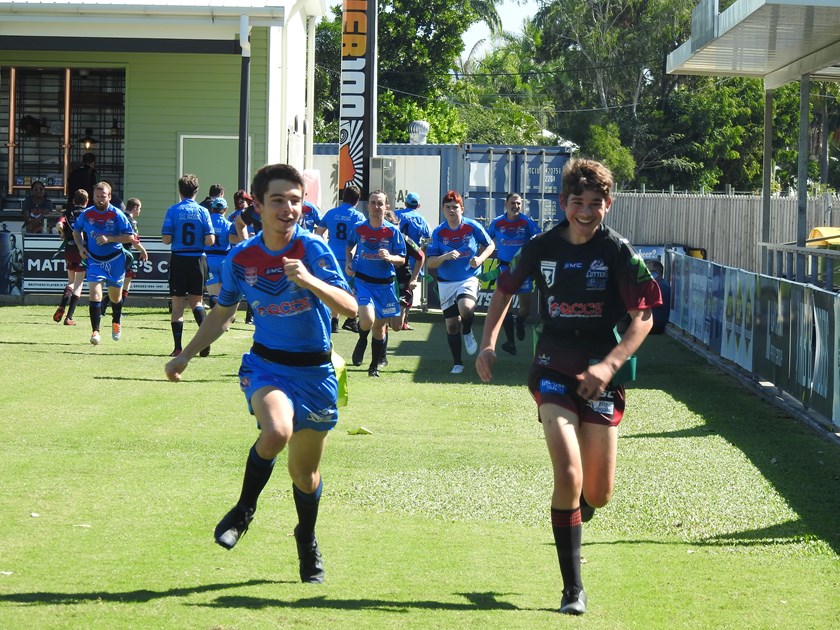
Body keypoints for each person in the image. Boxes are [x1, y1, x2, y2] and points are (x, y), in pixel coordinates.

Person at [475, 159, 662, 615]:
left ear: (608, 205)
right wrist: (488, 343)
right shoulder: (540, 247)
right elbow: (503, 290)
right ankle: (572, 589)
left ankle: (578, 508)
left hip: (600, 370)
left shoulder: (617, 251)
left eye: (595, 203)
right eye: (577, 202)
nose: (585, 211)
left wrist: (611, 364)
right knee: (569, 472)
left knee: (597, 493)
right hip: (552, 367)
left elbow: (645, 316)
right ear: (563, 203)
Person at [164, 163, 357, 585]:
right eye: (278, 200)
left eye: (295, 199)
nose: (288, 208)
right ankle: (244, 510)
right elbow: (221, 315)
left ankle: (306, 538)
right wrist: (186, 355)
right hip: (266, 366)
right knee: (276, 432)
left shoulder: (315, 250)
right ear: (258, 205)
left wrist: (310, 281)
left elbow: (350, 308)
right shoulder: (240, 258)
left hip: (318, 374)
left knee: (304, 477)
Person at [426, 190, 495, 374]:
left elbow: (490, 245)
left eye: (455, 207)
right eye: (448, 207)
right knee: (451, 325)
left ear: (462, 209)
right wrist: (445, 256)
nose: (451, 210)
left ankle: (468, 332)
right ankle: (457, 363)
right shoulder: (439, 232)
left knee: (466, 307)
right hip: (446, 282)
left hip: (468, 277)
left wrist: (480, 259)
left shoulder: (472, 226)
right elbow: (430, 262)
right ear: (443, 210)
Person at [345, 190, 405, 377]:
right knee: (367, 320)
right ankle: (362, 339)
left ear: (386, 206)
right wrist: (349, 262)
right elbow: (349, 245)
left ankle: (373, 367)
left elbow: (402, 259)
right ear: (368, 205)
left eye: (380, 203)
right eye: (373, 203)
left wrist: (390, 257)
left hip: (385, 284)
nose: (376, 207)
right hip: (363, 282)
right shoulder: (359, 227)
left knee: (379, 327)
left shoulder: (392, 231)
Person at [71, 181, 137, 345]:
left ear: (109, 196)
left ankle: (116, 321)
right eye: (97, 196)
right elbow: (76, 231)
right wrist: (80, 247)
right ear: (93, 196)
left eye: (103, 196)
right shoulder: (87, 214)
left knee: (115, 298)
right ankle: (95, 332)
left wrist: (110, 238)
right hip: (94, 260)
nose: (100, 199)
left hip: (115, 260)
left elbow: (130, 237)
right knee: (94, 294)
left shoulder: (117, 214)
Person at [161, 174, 215, 357]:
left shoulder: (173, 210)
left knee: (177, 305)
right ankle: (205, 341)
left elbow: (166, 239)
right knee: (197, 303)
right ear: (196, 191)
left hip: (179, 259)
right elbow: (210, 240)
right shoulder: (203, 211)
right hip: (198, 260)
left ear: (180, 191)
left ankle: (177, 348)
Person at [487, 192, 541, 355]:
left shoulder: (527, 222)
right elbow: (486, 240)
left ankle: (521, 321)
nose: (515, 206)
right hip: (505, 269)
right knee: (506, 307)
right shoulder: (497, 223)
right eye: (513, 203)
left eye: (518, 203)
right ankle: (510, 342)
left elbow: (538, 238)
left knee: (525, 309)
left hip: (523, 271)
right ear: (506, 204)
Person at [315, 185, 365, 333]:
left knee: (334, 288)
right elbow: (362, 239)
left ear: (343, 197)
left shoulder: (331, 213)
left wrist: (324, 248)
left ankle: (334, 321)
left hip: (332, 256)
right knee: (354, 289)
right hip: (349, 258)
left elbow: (318, 233)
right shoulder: (358, 216)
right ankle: (351, 319)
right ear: (357, 200)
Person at [385, 208, 425, 334]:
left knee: (396, 326)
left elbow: (421, 256)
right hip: (384, 282)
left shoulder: (404, 239)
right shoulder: (377, 239)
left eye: (394, 226)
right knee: (381, 322)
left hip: (402, 281)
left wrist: (414, 278)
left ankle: (399, 318)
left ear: (398, 225)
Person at [52, 189, 88, 325]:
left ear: (73, 201)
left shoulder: (67, 213)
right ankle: (69, 317)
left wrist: (62, 233)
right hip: (82, 250)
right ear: (87, 201)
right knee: (79, 284)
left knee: (70, 281)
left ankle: (62, 305)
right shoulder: (87, 214)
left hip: (69, 250)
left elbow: (59, 224)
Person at [396, 192, 431, 330]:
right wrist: (419, 250)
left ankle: (389, 317)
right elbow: (427, 239)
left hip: (396, 256)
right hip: (413, 258)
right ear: (419, 205)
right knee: (409, 288)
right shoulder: (421, 219)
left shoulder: (396, 214)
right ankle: (404, 321)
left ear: (405, 203)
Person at [205, 196, 233, 308]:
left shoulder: (206, 223)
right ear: (225, 209)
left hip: (209, 260)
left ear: (212, 208)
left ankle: (216, 317)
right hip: (224, 260)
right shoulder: (229, 225)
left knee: (213, 294)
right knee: (223, 293)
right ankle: (225, 316)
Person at [121, 197, 149, 303]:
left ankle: (106, 305)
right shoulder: (132, 222)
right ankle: (116, 309)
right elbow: (134, 240)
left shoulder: (120, 218)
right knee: (127, 279)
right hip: (126, 252)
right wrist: (143, 250)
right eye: (140, 208)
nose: (140, 211)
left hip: (115, 251)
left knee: (117, 280)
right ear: (135, 208)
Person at [646, 260, 671, 334]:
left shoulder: (662, 286)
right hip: (651, 322)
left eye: (651, 271)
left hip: (656, 324)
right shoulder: (654, 285)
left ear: (658, 272)